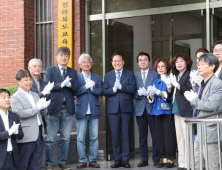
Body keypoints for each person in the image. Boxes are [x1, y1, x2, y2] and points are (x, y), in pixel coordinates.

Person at [184, 53, 222, 170]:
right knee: (196, 164)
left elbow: (211, 105)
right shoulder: (204, 83)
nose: (199, 67)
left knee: (212, 165)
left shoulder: (217, 84)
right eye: (198, 64)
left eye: (202, 64)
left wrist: (194, 100)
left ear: (212, 66)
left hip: (210, 131)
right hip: (200, 131)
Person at [44, 47, 79, 170]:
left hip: (68, 109)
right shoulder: (50, 70)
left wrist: (70, 85)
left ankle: (62, 162)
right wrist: (60, 85)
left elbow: (76, 89)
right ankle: (49, 163)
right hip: (54, 107)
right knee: (51, 139)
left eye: (66, 55)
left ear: (69, 57)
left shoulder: (73, 72)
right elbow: (47, 86)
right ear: (57, 57)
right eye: (61, 55)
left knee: (66, 138)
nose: (64, 57)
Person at [11, 70, 50, 170]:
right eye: (25, 80)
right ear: (18, 82)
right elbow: (19, 113)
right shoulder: (15, 97)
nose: (29, 82)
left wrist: (43, 108)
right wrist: (37, 108)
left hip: (39, 132)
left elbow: (42, 113)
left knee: (37, 162)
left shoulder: (35, 95)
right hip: (27, 134)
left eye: (30, 79)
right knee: (24, 163)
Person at [103, 53, 136, 168]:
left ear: (123, 62)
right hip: (113, 109)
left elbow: (133, 89)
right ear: (112, 63)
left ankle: (126, 159)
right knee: (115, 134)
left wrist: (122, 87)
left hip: (126, 107)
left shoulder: (130, 73)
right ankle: (118, 159)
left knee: (126, 134)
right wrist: (113, 89)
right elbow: (104, 91)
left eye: (119, 61)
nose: (117, 63)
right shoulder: (108, 75)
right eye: (115, 61)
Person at [147, 59, 177, 168]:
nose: (160, 68)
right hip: (157, 112)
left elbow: (170, 97)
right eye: (158, 66)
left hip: (168, 111)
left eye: (162, 66)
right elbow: (152, 98)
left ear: (167, 67)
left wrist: (164, 92)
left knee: (169, 135)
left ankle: (170, 159)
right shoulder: (155, 81)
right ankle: (163, 158)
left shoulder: (170, 79)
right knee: (160, 136)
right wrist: (150, 95)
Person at [75, 53, 103, 169]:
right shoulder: (76, 77)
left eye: (88, 62)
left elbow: (101, 91)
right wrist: (85, 87)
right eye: (84, 62)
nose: (86, 64)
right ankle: (82, 160)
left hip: (94, 110)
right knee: (80, 137)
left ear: (91, 64)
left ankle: (92, 160)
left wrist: (93, 89)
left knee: (94, 137)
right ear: (80, 64)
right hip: (81, 110)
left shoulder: (96, 77)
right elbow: (75, 91)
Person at [134, 52, 160, 168]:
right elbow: (132, 91)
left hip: (152, 108)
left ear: (149, 61)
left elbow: (159, 89)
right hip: (140, 109)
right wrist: (138, 94)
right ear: (138, 63)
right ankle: (143, 159)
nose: (143, 62)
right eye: (140, 60)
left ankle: (156, 158)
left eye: (145, 59)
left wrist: (149, 93)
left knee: (155, 135)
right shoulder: (134, 76)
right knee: (142, 136)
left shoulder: (155, 75)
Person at [170, 53, 193, 170]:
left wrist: (177, 85)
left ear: (186, 63)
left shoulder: (189, 75)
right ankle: (182, 163)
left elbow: (189, 90)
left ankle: (189, 163)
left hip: (185, 108)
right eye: (176, 61)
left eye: (181, 61)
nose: (178, 63)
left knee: (186, 137)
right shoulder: (177, 75)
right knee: (179, 137)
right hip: (176, 108)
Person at [28, 58, 54, 134]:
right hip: (31, 116)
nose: (37, 68)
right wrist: (43, 93)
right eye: (35, 66)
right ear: (29, 68)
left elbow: (48, 97)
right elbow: (30, 98)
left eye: (39, 66)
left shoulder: (44, 83)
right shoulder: (26, 82)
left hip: (43, 116)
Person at [0, 88, 24, 170]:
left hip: (13, 157)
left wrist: (17, 132)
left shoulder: (14, 115)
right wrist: (8, 132)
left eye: (8, 97)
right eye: (3, 97)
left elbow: (21, 136)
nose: (7, 99)